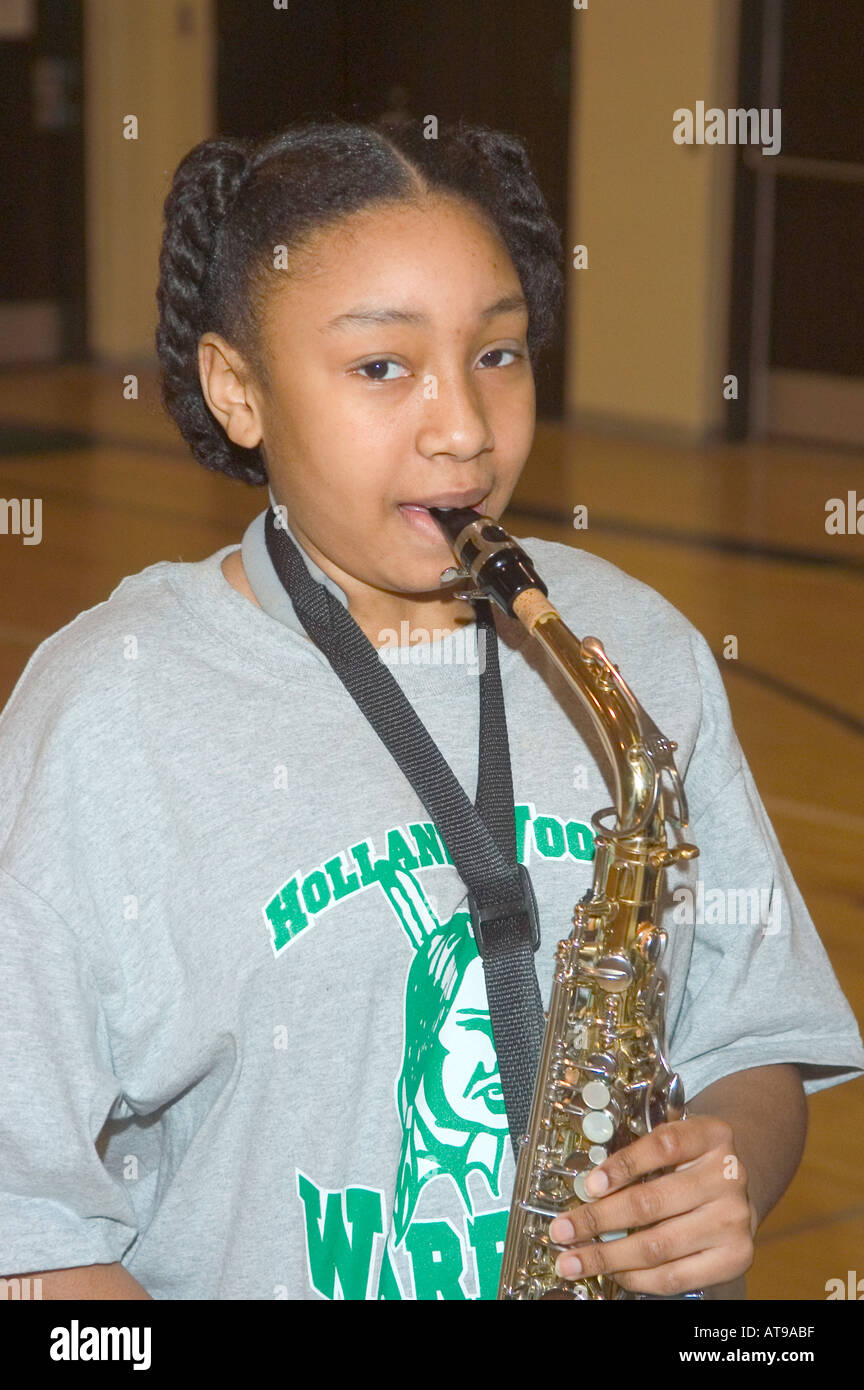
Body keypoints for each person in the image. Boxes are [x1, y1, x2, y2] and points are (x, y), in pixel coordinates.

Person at [1, 117, 862, 1302]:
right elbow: (30, 1230)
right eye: (381, 367)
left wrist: (727, 1165)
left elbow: (752, 1040)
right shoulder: (104, 710)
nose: (463, 428)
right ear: (235, 390)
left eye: (498, 354)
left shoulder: (639, 648)